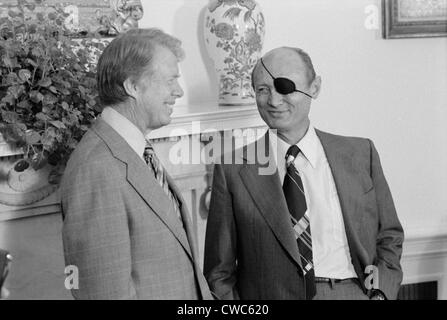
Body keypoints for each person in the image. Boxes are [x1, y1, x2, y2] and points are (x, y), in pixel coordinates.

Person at [204, 46, 404, 300]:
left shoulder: (361, 154)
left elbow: (390, 235)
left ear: (315, 87)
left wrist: (382, 289)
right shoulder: (232, 170)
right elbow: (218, 273)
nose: (274, 101)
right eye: (263, 90)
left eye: (285, 87)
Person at [61, 28, 212, 300]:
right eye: (171, 80)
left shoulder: (135, 150)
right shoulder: (96, 168)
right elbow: (103, 292)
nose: (178, 91)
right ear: (132, 86)